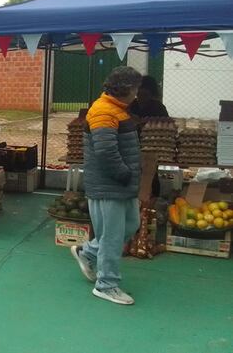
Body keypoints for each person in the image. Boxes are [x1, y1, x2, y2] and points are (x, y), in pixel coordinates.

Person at [70, 66, 143, 305]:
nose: (137, 95)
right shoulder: (103, 111)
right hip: (109, 184)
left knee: (131, 225)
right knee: (112, 237)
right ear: (125, 89)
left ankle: (88, 252)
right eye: (135, 89)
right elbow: (105, 151)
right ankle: (106, 285)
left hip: (121, 184)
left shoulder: (117, 109)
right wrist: (123, 174)